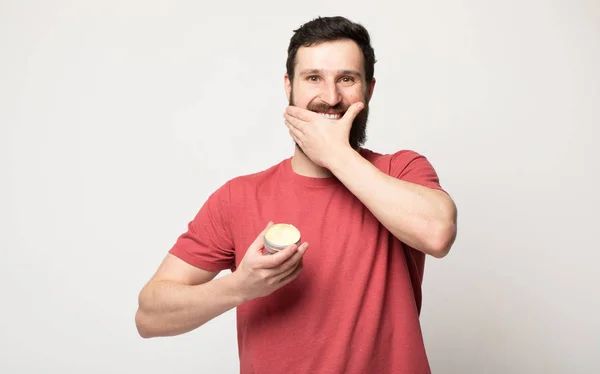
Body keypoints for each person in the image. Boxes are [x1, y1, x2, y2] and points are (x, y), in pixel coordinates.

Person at [135, 15, 458, 374]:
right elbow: (149, 316)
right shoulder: (239, 197)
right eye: (314, 78)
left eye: (347, 79)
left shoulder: (402, 171)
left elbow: (438, 233)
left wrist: (334, 154)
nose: (331, 97)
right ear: (289, 86)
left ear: (369, 89)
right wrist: (239, 288)